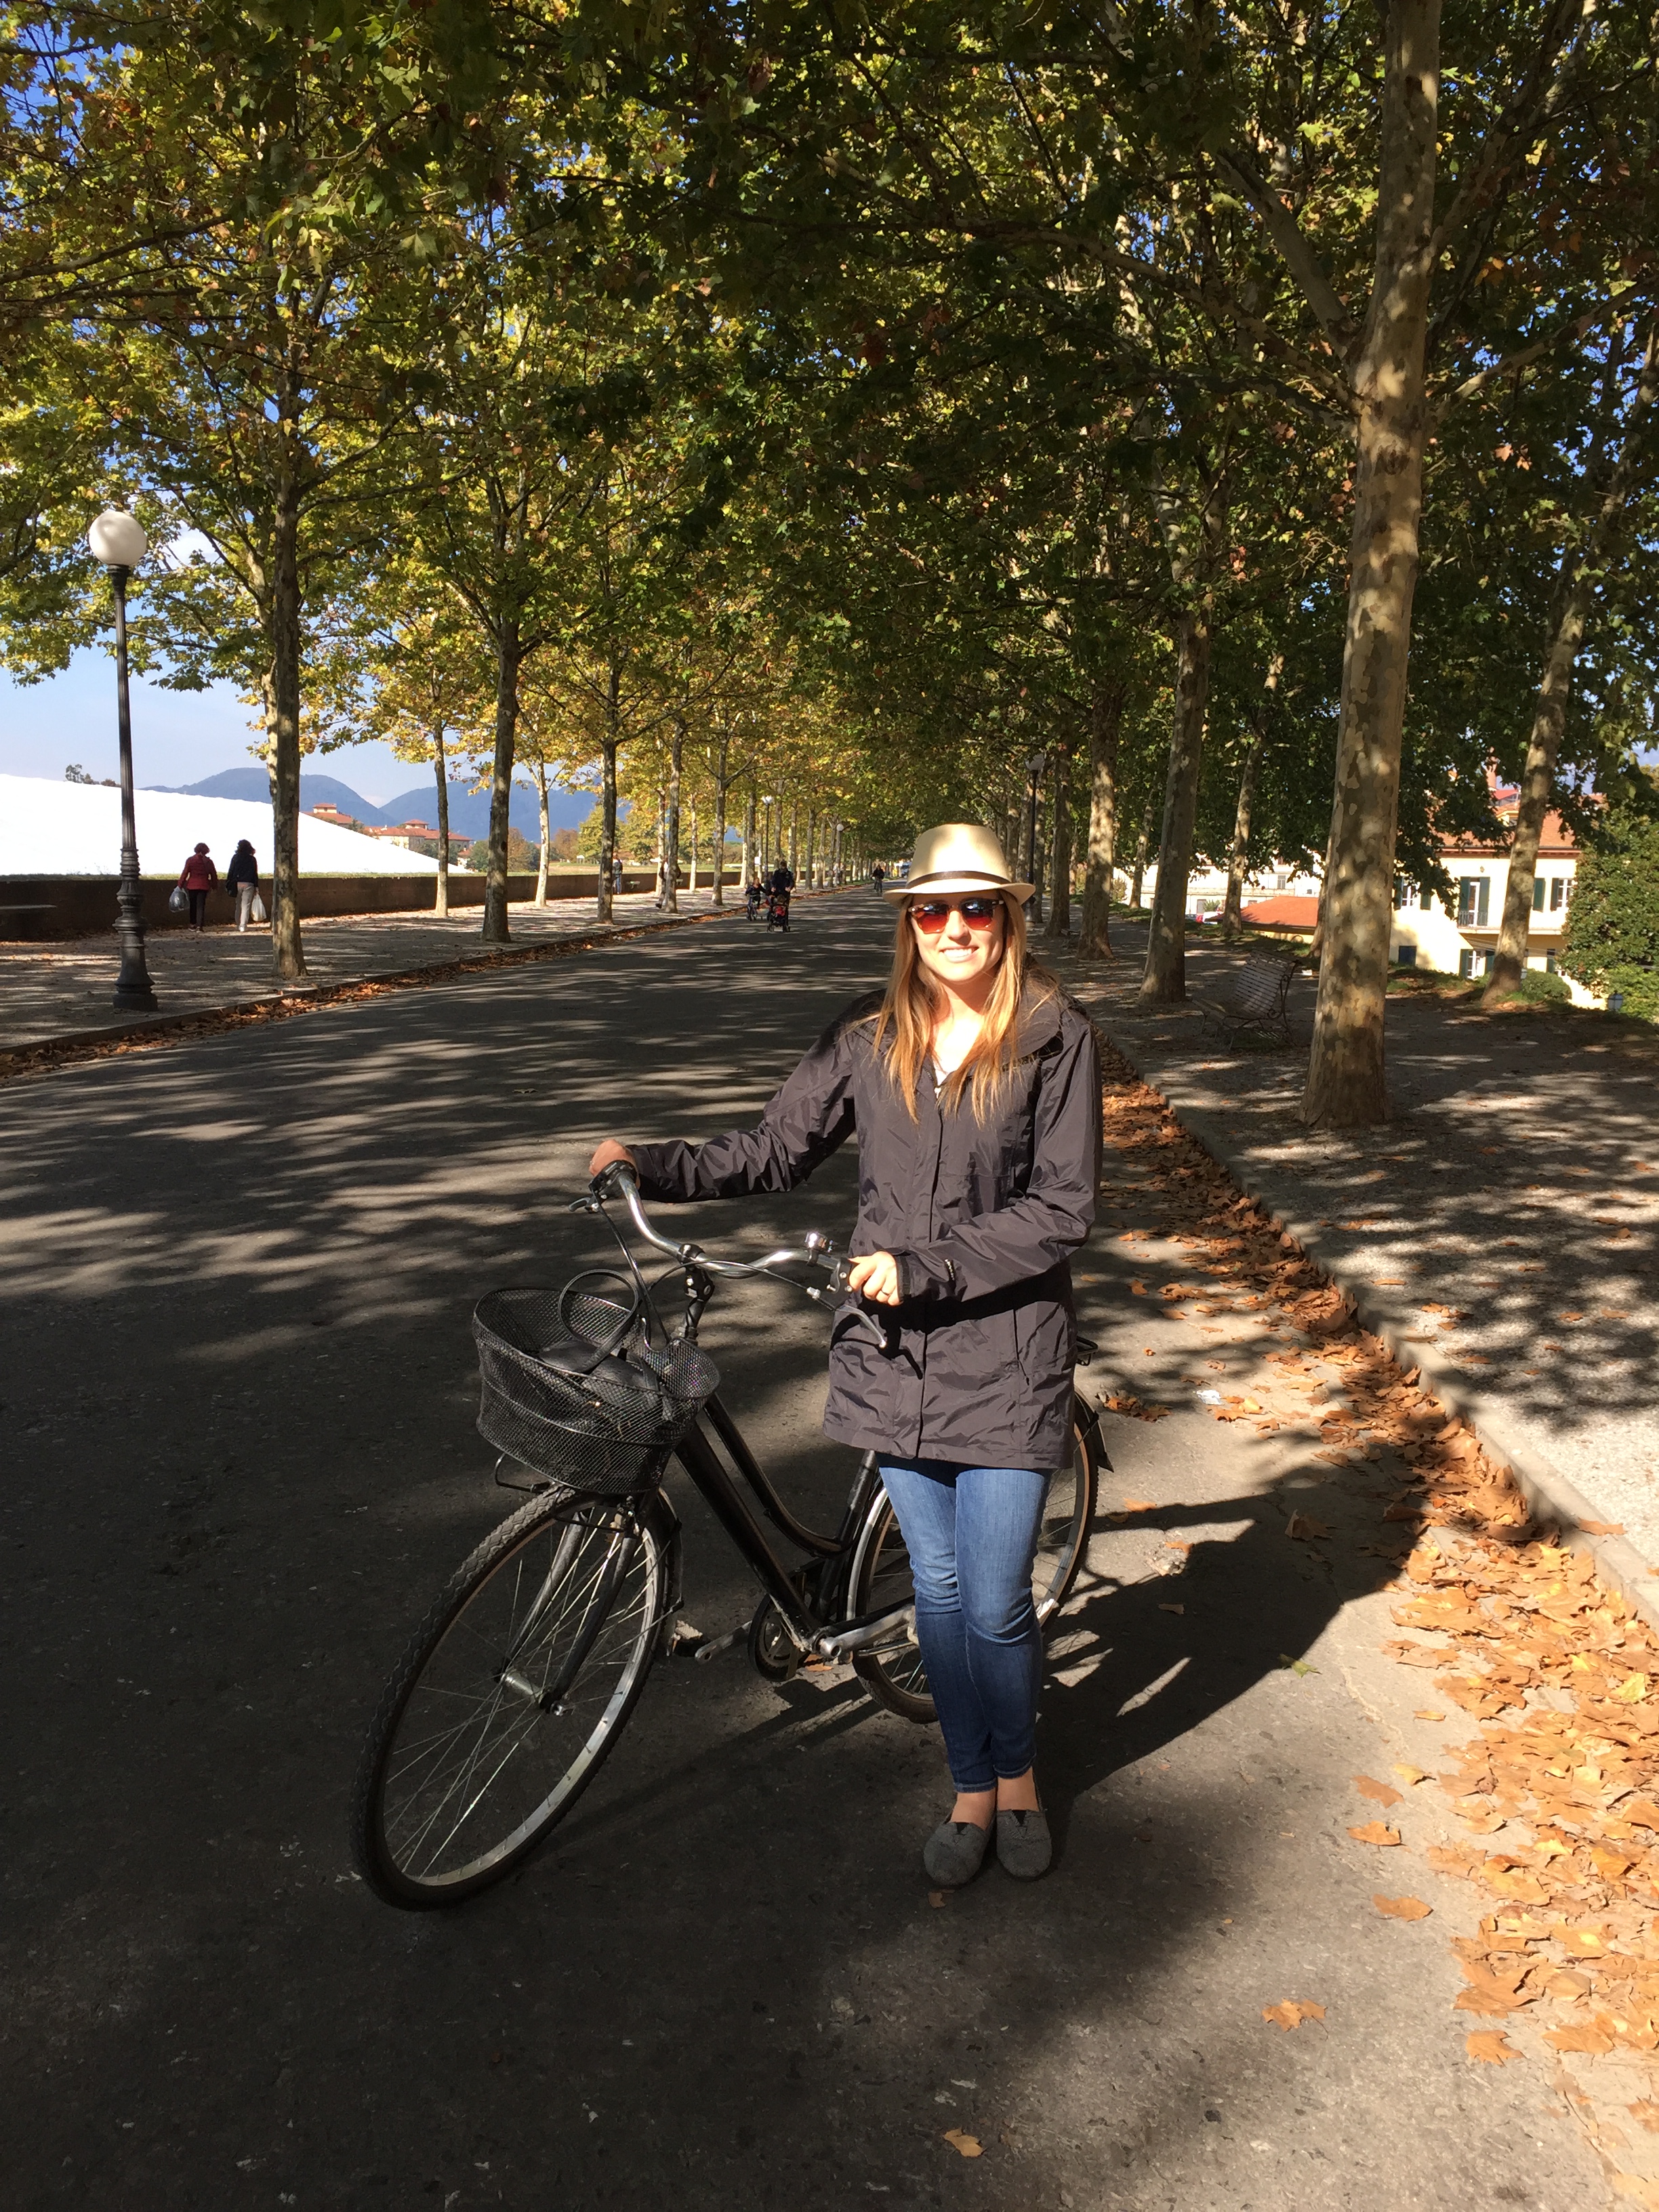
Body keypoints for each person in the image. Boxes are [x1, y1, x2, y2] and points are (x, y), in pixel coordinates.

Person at [588, 823, 1099, 1887]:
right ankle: (971, 1784)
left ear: (1008, 919)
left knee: (996, 1602)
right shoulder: (868, 1038)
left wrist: (929, 1266)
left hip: (1008, 1358)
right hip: (894, 1358)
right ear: (908, 923)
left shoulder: (1056, 1037)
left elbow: (1062, 1209)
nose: (954, 928)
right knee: (941, 1595)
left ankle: (1019, 1779)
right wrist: (652, 1164)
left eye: (976, 908)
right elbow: (775, 1148)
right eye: (932, 909)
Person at [178, 842, 218, 931]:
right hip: (204, 886)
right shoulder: (209, 862)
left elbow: (185, 873)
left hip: (192, 886)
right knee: (201, 906)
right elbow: (213, 875)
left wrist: (180, 885)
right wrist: (214, 886)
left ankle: (193, 924)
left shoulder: (191, 860)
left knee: (193, 905)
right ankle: (199, 926)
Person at [226, 839, 260, 932]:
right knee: (246, 906)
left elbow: (231, 871)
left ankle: (238, 924)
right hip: (249, 884)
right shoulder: (252, 859)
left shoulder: (235, 857)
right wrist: (256, 886)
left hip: (237, 883)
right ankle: (243, 925)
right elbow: (254, 874)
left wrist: (228, 882)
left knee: (238, 905)